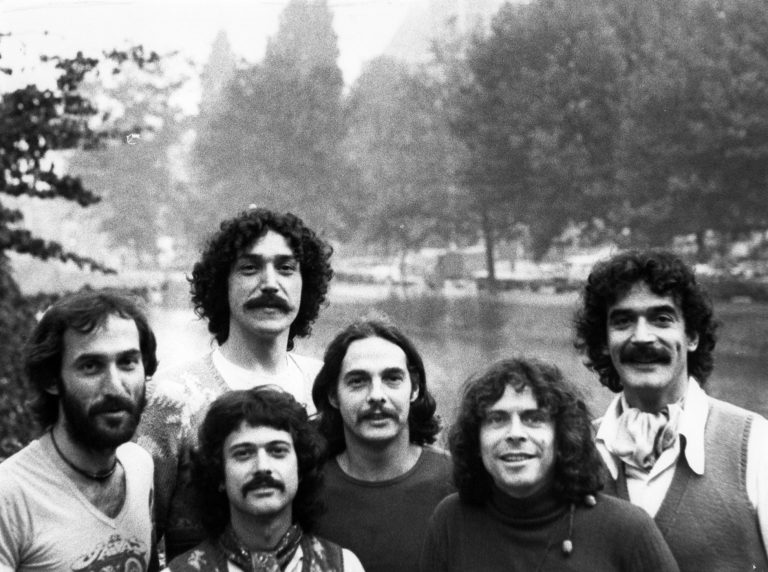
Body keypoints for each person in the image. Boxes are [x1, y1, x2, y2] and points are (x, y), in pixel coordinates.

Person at [137, 207, 333, 560]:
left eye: (286, 268)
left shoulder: (329, 388)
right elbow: (140, 538)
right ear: (221, 285)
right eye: (249, 268)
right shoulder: (172, 397)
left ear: (307, 284)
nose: (270, 283)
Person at [574, 249, 768, 571]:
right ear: (604, 343)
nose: (642, 337)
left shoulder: (756, 445)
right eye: (623, 321)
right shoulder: (575, 453)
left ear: (691, 336)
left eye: (661, 319)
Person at [419, 357, 679, 572]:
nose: (515, 434)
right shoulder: (450, 521)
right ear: (476, 439)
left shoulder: (627, 530)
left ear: (562, 437)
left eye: (533, 419)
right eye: (497, 419)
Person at [0, 290, 158, 571]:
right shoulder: (10, 496)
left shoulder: (140, 466)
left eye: (127, 362)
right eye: (91, 366)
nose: (115, 386)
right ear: (52, 379)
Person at [165, 387, 364, 572]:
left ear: (300, 469)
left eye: (277, 451)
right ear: (219, 475)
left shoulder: (345, 566)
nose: (262, 467)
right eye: (243, 454)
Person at [311, 317, 453, 572]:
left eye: (392, 378)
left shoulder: (456, 480)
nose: (376, 395)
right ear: (333, 395)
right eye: (358, 381)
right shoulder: (307, 488)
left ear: (414, 389)